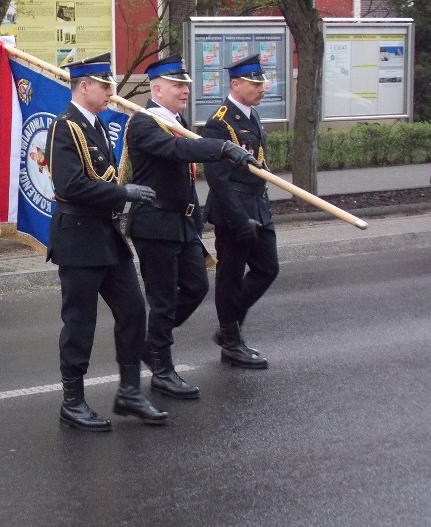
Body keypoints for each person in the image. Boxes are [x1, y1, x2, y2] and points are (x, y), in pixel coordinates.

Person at [44, 52, 168, 432]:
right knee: (80, 323)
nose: (111, 94)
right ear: (84, 86)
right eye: (105, 86)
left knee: (133, 310)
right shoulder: (65, 127)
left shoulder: (95, 125)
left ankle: (129, 391)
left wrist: (122, 195)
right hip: (78, 239)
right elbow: (70, 185)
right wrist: (123, 193)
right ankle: (73, 401)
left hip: (107, 238)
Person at [126, 54, 260, 398]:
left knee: (196, 287)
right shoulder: (144, 123)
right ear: (157, 88)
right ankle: (163, 369)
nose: (185, 90)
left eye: (185, 84)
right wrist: (223, 147)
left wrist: (196, 219)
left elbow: (183, 160)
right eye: (177, 85)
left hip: (181, 222)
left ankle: (152, 345)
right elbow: (176, 150)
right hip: (154, 223)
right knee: (163, 300)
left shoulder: (175, 119)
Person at [202, 53, 279, 369]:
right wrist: (238, 218)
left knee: (268, 268)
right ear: (236, 84)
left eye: (262, 82)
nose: (262, 88)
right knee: (230, 276)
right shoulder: (219, 122)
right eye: (255, 83)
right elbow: (216, 178)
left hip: (258, 205)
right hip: (233, 211)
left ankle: (229, 324)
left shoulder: (253, 116)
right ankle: (232, 342)